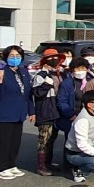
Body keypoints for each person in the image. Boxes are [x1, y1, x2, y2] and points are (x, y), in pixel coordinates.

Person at [0, 46, 35, 179]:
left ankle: (11, 164)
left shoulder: (23, 71)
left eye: (18, 56)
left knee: (15, 141)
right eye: (12, 56)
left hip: (19, 112)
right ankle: (1, 168)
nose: (15, 58)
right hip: (5, 112)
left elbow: (28, 94)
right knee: (5, 141)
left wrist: (31, 111)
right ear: (5, 57)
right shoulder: (1, 72)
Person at [32, 48, 64, 176]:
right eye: (50, 58)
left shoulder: (59, 74)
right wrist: (46, 84)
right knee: (44, 139)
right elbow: (37, 93)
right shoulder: (40, 75)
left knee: (52, 139)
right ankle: (41, 166)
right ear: (45, 61)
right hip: (45, 110)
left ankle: (48, 163)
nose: (53, 60)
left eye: (55, 58)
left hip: (56, 110)